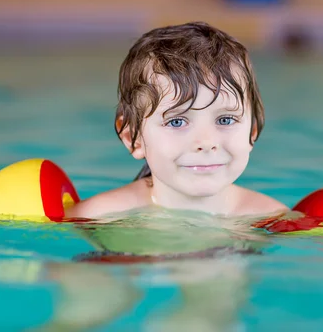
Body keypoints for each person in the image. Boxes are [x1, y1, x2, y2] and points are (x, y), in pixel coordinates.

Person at [67, 21, 289, 220]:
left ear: (253, 131)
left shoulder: (272, 220)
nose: (207, 142)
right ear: (132, 137)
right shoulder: (95, 218)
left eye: (226, 119)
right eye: (177, 122)